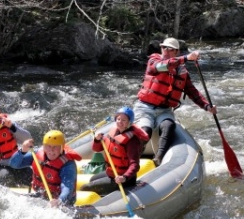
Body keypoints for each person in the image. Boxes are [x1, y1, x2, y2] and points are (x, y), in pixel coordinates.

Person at [134, 37, 217, 165]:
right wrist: (186, 58)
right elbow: (162, 66)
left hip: (164, 110)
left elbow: (192, 92)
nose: (166, 50)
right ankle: (133, 160)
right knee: (145, 130)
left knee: (169, 126)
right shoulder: (154, 61)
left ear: (176, 52)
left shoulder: (182, 72)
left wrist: (206, 106)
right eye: (164, 47)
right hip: (145, 107)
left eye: (170, 49)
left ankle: (159, 159)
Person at [80, 107, 149, 195]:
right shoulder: (114, 132)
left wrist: (124, 177)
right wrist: (97, 140)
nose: (120, 122)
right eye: (118, 119)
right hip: (111, 172)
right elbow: (97, 149)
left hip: (123, 179)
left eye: (124, 120)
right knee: (92, 179)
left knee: (85, 188)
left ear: (129, 122)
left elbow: (135, 165)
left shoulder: (132, 141)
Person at [10, 130, 82, 208]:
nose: (51, 150)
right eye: (48, 146)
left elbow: (67, 187)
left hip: (62, 202)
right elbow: (14, 164)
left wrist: (59, 201)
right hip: (40, 195)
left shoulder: (67, 165)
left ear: (62, 147)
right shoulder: (37, 154)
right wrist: (22, 151)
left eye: (55, 146)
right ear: (44, 146)